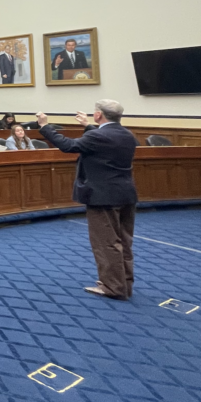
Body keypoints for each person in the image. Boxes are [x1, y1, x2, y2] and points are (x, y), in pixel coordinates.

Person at [38, 100, 138, 299]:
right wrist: (88, 126)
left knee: (106, 243)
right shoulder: (128, 135)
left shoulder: (98, 136)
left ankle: (113, 287)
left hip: (103, 197)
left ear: (99, 115)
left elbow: (68, 146)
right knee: (124, 242)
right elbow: (105, 139)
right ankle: (124, 283)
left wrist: (44, 126)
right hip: (126, 194)